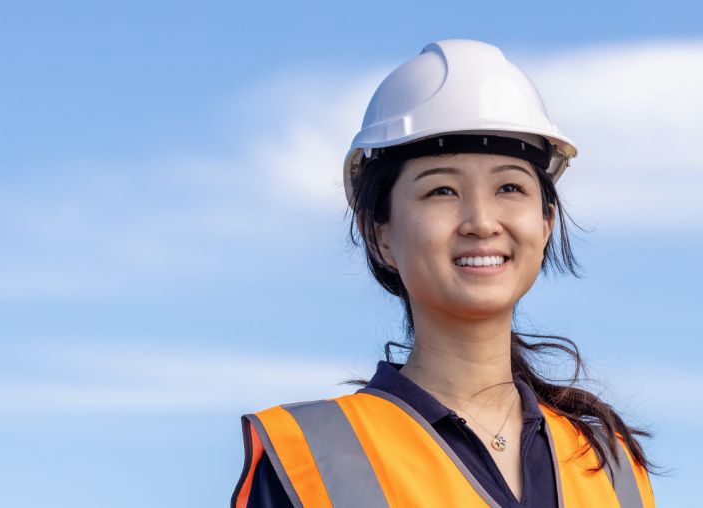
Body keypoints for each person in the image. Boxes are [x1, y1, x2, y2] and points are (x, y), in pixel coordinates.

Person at [230, 39, 658, 508]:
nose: (480, 221)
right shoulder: (308, 461)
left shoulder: (608, 465)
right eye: (442, 191)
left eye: (510, 187)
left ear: (545, 222)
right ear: (381, 234)